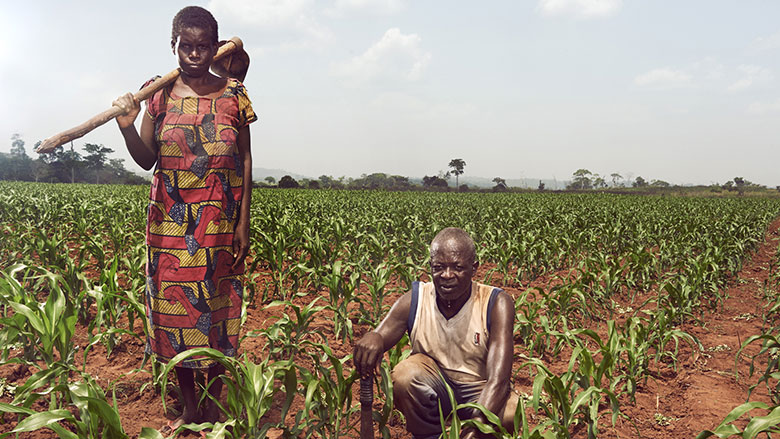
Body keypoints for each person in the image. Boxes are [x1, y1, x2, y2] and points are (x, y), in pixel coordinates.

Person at [112, 5, 256, 434]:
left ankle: (214, 399)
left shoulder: (234, 93)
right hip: (171, 225)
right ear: (173, 45)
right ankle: (190, 405)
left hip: (219, 222)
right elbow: (146, 159)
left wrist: (243, 221)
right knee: (177, 317)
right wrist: (125, 127)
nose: (193, 54)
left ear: (215, 47)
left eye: (202, 46)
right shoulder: (156, 93)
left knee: (216, 310)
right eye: (185, 46)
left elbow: (245, 157)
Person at [353, 227, 518, 439]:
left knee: (511, 412)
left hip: (480, 390)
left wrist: (476, 427)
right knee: (404, 377)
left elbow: (499, 379)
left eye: (457, 267)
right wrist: (374, 337)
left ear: (474, 268)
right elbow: (381, 334)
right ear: (430, 266)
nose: (447, 275)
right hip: (435, 387)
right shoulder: (417, 298)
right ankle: (428, 435)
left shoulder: (495, 303)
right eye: (439, 267)